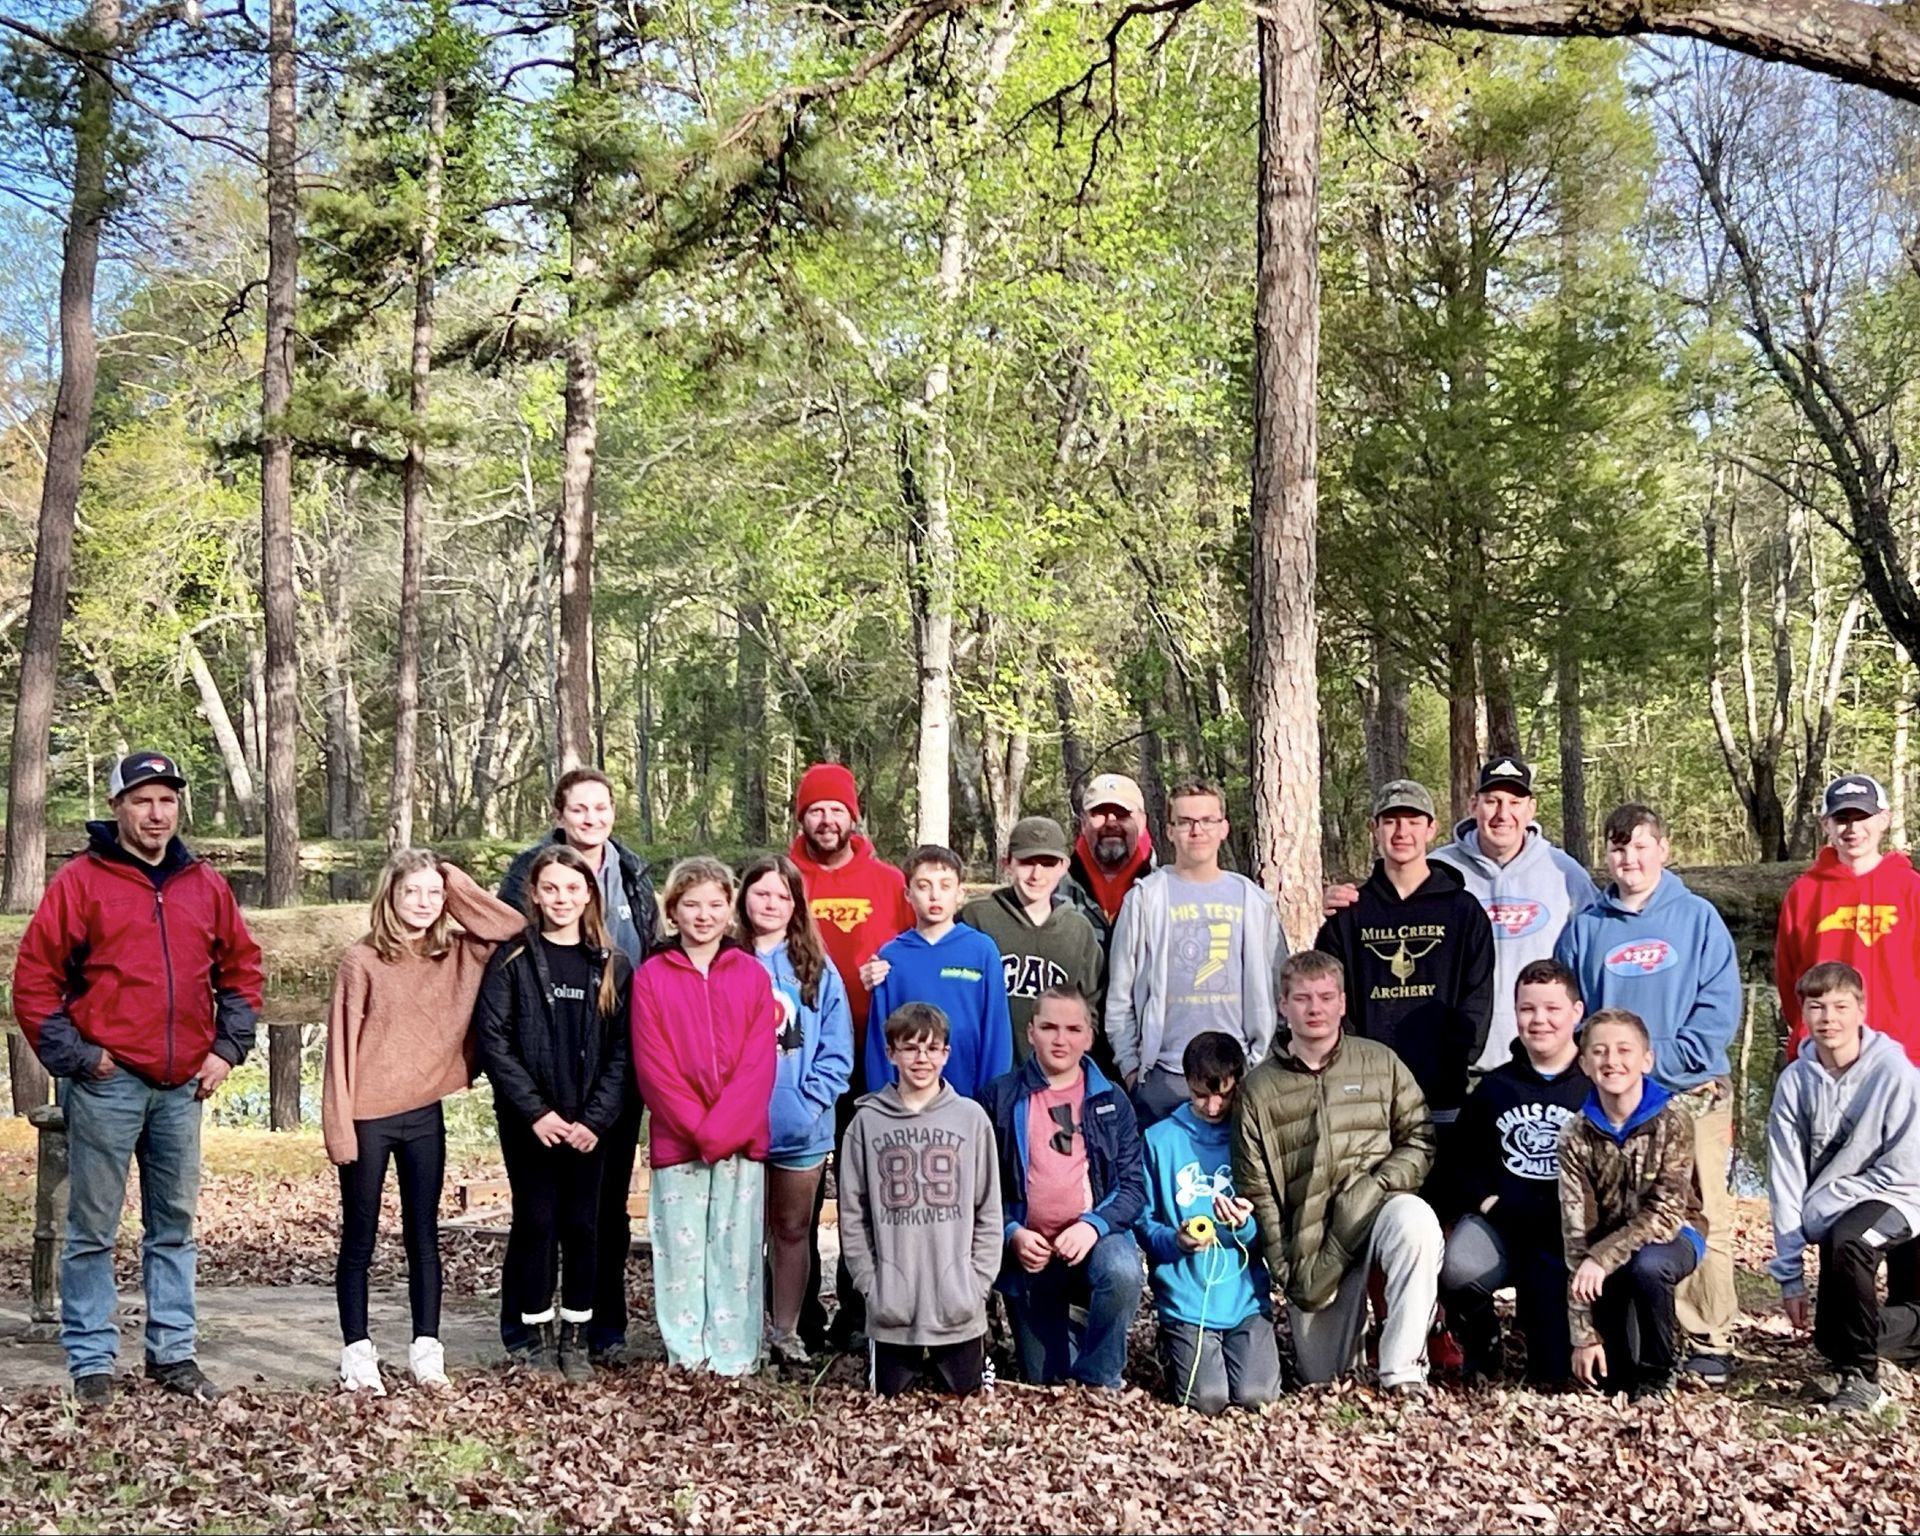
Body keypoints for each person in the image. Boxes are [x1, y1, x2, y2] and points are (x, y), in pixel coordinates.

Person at [13, 751, 264, 1405]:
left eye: (167, 801)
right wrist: (80, 1059)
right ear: (118, 807)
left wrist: (227, 1050)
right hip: (109, 1082)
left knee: (174, 1226)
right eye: (143, 800)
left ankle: (173, 1354)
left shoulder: (203, 884)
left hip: (184, 1085)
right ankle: (92, 1361)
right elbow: (34, 982)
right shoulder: (81, 882)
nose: (157, 814)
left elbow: (242, 971)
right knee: (93, 1229)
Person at [1553, 802, 1742, 1385]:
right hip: (1614, 1101)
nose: (1629, 859)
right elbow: (1570, 1013)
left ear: (1663, 849)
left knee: (1702, 1213)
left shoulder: (1698, 918)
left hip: (1691, 1092)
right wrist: (1604, 1069)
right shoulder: (1586, 927)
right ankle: (1631, 1332)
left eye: (1640, 846)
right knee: (1619, 1214)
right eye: (1618, 848)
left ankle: (1710, 1335)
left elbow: (1718, 1012)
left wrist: (1658, 1065)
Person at [323, 850, 523, 1394]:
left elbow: (510, 926)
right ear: (389, 895)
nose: (424, 902)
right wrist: (339, 1127)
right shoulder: (362, 959)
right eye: (411, 891)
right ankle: (357, 1352)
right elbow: (340, 1048)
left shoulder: (457, 951)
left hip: (423, 1112)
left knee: (424, 1235)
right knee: (360, 1238)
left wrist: (450, 878)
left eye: (434, 894)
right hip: (367, 1114)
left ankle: (426, 1349)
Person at [497, 767, 660, 1366]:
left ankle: (600, 1330)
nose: (592, 818)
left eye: (601, 807)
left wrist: (605, 1103)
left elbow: (655, 950)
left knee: (603, 1213)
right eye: (579, 809)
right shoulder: (528, 875)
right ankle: (525, 1331)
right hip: (541, 1080)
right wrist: (531, 1103)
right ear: (560, 815)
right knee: (537, 1215)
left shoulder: (633, 874)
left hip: (609, 1075)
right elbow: (497, 956)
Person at [1231, 950, 1440, 1397]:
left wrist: (1377, 1185)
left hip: (1379, 1210)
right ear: (1283, 1005)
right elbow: (1256, 1188)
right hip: (1314, 1239)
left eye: (1326, 997)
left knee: (1417, 1222)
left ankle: (1402, 1369)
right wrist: (1283, 1265)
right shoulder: (1258, 1088)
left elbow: (1419, 1139)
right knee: (1322, 1377)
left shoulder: (1380, 1062)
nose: (1315, 1009)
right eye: (1302, 998)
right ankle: (1353, 1341)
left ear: (1343, 1003)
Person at [1326, 758, 1597, 1075]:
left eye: (1514, 802)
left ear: (1531, 808)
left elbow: (1594, 954)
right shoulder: (1439, 870)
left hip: (1542, 1057)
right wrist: (1340, 901)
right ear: (1473, 805)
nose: (1502, 814)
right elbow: (1389, 903)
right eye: (1492, 801)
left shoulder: (1566, 874)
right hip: (1458, 1066)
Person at [475, 845, 634, 1382]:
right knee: (537, 1222)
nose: (562, 898)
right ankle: (536, 1337)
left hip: (590, 1125)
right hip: (531, 1124)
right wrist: (535, 1112)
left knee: (583, 1225)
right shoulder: (512, 961)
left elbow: (624, 1052)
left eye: (572, 888)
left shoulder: (613, 965)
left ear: (589, 895)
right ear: (535, 895)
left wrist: (596, 1120)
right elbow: (495, 1042)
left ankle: (577, 1338)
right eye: (551, 888)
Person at [633, 857, 779, 1376]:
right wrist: (699, 1131)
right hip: (680, 1143)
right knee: (682, 1251)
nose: (704, 915)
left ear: (729, 910)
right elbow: (654, 1067)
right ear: (673, 911)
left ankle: (733, 1355)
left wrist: (722, 1132)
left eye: (715, 904)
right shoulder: (651, 977)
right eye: (691, 905)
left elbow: (759, 1064)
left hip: (741, 1140)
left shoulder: (751, 974)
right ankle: (688, 1354)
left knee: (735, 1250)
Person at [786, 760, 913, 1350]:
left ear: (853, 815)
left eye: (836, 809)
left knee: (865, 1187)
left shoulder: (887, 881)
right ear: (802, 817)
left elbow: (913, 948)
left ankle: (860, 1311)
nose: (827, 820)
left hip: (873, 1053)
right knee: (802, 1191)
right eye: (816, 810)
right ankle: (799, 1314)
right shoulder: (785, 879)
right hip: (801, 1057)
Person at [1767, 961, 1920, 1416]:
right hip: (1844, 1204)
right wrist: (1790, 1274)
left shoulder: (1895, 1073)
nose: (1828, 1018)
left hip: (1904, 1194)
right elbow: (1785, 1178)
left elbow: (1907, 1168)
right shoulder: (1795, 1082)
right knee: (1832, 1338)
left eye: (1840, 1006)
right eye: (1817, 1007)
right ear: (1802, 1014)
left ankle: (1861, 1378)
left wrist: (1832, 1201)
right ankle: (1873, 1345)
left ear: (1861, 1010)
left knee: (1851, 1240)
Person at [979, 987, 1145, 1390]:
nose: (1060, 1039)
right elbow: (980, 1188)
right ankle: (1068, 1325)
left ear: (1089, 1037)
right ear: (1030, 1032)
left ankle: (1100, 1376)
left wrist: (1093, 1225)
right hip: (1030, 1252)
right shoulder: (999, 1097)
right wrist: (1011, 1233)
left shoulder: (1111, 1100)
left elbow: (1133, 1188)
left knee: (1122, 1272)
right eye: (1049, 1027)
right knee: (1045, 1378)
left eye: (1073, 1029)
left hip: (1094, 1242)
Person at [1314, 779, 1495, 1148]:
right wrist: (1355, 1066)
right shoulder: (1348, 915)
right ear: (1374, 829)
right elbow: (1329, 1000)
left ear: (1431, 829)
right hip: (1367, 1097)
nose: (1402, 832)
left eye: (1413, 821)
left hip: (1444, 1095)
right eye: (1391, 821)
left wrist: (1455, 1061)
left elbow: (1477, 998)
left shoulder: (1463, 912)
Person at [1435, 959, 1589, 1387]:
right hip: (1506, 1223)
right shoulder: (1495, 1088)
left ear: (1576, 1013)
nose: (1539, 1020)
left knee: (1553, 1374)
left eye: (1552, 1009)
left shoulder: (1595, 1086)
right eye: (1527, 1009)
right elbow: (1460, 1164)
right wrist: (1489, 1203)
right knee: (1457, 1266)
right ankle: (1483, 1345)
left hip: (1573, 1234)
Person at [839, 1002, 1003, 1397]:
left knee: (966, 1401)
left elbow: (988, 1207)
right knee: (888, 1400)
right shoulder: (866, 1123)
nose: (921, 1059)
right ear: (890, 1053)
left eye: (931, 1049)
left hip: (957, 1303)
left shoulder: (971, 1119)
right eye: (910, 1048)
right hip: (893, 1305)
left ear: (946, 1054)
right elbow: (852, 1214)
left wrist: (978, 1282)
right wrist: (869, 1283)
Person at [1106, 780, 1288, 1128]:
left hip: (1240, 1073)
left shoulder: (1252, 901)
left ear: (1224, 828)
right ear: (1169, 831)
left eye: (1207, 820)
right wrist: (1131, 1068)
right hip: (1164, 1076)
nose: (1197, 830)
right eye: (1185, 822)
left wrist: (1260, 1060)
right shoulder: (1145, 899)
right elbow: (1120, 995)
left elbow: (1279, 990)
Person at [736, 854, 854, 1370]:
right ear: (744, 897)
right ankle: (742, 1329)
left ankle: (786, 1330)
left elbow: (836, 1050)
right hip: (735, 1128)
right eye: (762, 893)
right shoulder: (728, 958)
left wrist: (806, 1104)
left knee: (791, 1229)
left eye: (782, 896)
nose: (771, 904)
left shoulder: (815, 969)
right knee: (742, 1232)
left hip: (800, 1128)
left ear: (797, 906)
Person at [1559, 1009, 1705, 1402]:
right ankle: (1624, 1366)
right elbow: (1576, 1235)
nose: (1612, 1060)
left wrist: (1602, 1258)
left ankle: (1661, 1373)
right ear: (1584, 1064)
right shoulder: (1574, 1135)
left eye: (1624, 1050)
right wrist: (1583, 1334)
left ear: (1646, 1060)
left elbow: (1666, 1214)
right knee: (1614, 1379)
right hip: (1606, 1248)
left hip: (1674, 1235)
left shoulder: (1674, 1120)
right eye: (1600, 1051)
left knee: (1648, 1266)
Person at [1136, 1030, 1281, 1414]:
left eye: (1224, 1095)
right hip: (1187, 1297)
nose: (1214, 1106)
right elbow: (1143, 1222)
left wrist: (1244, 1226)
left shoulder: (1250, 1137)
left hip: (1244, 1296)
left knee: (1257, 1395)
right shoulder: (1159, 1141)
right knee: (1208, 1399)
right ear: (1187, 1082)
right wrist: (1176, 1240)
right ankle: (1172, 1347)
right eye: (1202, 1095)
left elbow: (1271, 1227)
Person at [1775, 774, 1920, 1063]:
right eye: (1842, 819)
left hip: (1903, 1054)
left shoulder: (1911, 889)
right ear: (1825, 824)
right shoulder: (1804, 892)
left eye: (1863, 817)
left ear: (1884, 819)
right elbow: (1787, 977)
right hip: (1823, 1054)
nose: (1853, 829)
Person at [864, 846, 1014, 1100]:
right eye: (924, 886)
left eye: (945, 886)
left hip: (968, 1095)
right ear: (908, 894)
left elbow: (996, 1030)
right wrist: (884, 1101)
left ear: (960, 894)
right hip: (907, 1099)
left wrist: (992, 1097)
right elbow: (880, 1039)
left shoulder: (981, 950)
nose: (935, 896)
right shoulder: (892, 955)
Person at [961, 816, 1105, 1062]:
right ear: (1007, 863)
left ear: (1064, 866)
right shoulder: (977, 918)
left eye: (1048, 863)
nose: (1037, 874)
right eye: (1026, 862)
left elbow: (1092, 1005)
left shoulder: (1078, 930)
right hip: (987, 1068)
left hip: (1055, 1072)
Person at [1064, 772, 1157, 952]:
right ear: (1083, 823)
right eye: (1100, 813)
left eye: (1122, 814)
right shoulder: (1052, 890)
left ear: (1142, 822)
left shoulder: (1164, 891)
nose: (1111, 823)